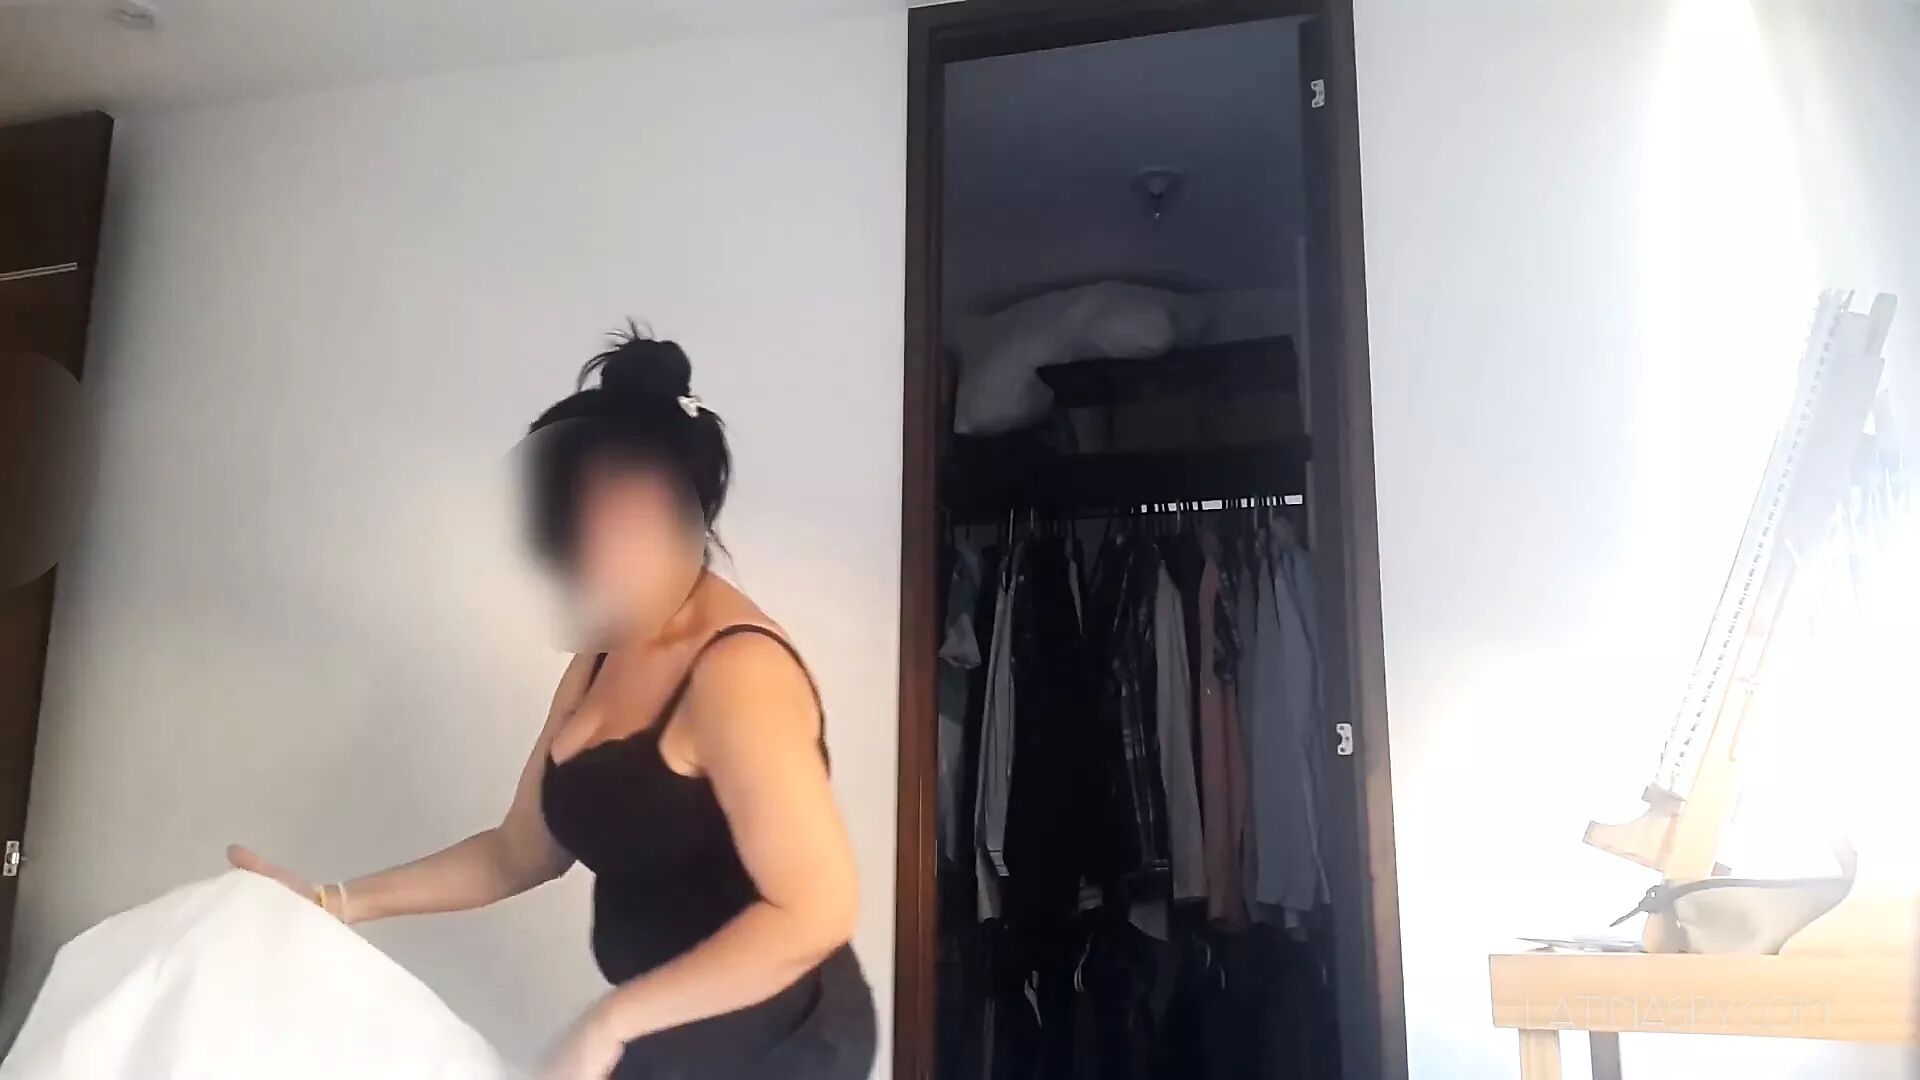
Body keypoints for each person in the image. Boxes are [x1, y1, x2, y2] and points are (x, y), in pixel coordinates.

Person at [229, 329, 874, 1080]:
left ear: (654, 509)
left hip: (780, 1036)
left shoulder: (738, 672)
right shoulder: (605, 650)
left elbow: (816, 910)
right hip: (665, 1018)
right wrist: (332, 902)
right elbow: (520, 851)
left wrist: (610, 1024)